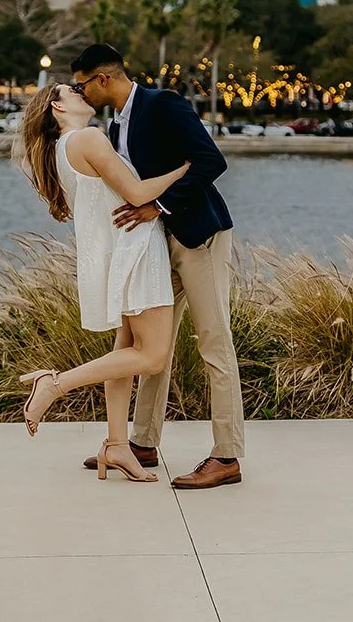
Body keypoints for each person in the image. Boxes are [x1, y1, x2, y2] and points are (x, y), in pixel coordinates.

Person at [70, 43, 244, 490]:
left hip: (199, 237)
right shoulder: (113, 126)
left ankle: (226, 456)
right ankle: (143, 443)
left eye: (82, 84)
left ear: (102, 79)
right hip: (156, 247)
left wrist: (160, 206)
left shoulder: (163, 104)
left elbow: (211, 161)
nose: (80, 92)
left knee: (214, 341)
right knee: (153, 343)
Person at [14, 81, 188, 482]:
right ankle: (54, 384)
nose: (82, 93)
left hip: (117, 256)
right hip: (137, 252)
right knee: (154, 356)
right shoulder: (88, 139)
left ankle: (116, 445)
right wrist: (184, 168)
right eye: (72, 91)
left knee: (127, 349)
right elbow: (138, 193)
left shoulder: (62, 149)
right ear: (57, 106)